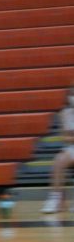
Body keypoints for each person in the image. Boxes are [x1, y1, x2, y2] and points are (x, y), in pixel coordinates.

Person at [40, 84, 74, 213]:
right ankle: (55, 199)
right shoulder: (65, 113)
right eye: (72, 94)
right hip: (72, 148)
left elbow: (69, 136)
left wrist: (71, 135)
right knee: (59, 160)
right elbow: (65, 138)